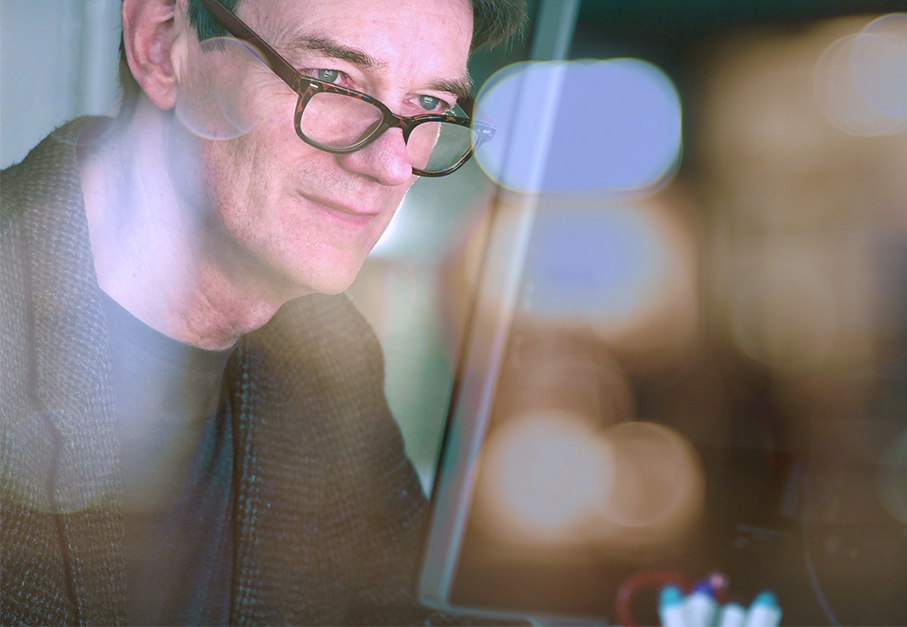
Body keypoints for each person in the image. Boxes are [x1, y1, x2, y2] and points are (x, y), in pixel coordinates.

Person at [0, 0, 523, 623]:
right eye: (333, 81)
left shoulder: (328, 353)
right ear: (162, 45)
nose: (390, 165)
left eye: (430, 107)